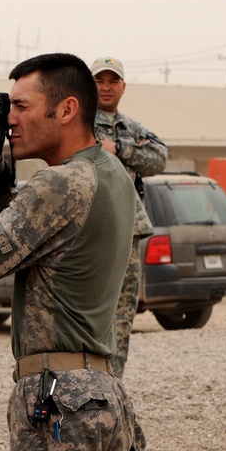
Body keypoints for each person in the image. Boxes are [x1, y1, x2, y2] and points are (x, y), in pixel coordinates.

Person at [0, 52, 142, 451]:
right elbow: (19, 235)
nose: (9, 119)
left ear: (67, 109)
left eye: (21, 106)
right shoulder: (109, 174)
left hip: (60, 399)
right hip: (99, 393)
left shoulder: (61, 182)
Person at [90, 56, 169, 378]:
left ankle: (113, 381)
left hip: (128, 228)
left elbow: (159, 157)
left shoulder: (130, 128)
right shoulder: (77, 122)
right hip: (90, 228)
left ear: (123, 86)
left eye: (113, 81)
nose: (106, 87)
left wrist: (118, 148)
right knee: (91, 306)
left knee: (122, 312)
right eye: (99, 80)